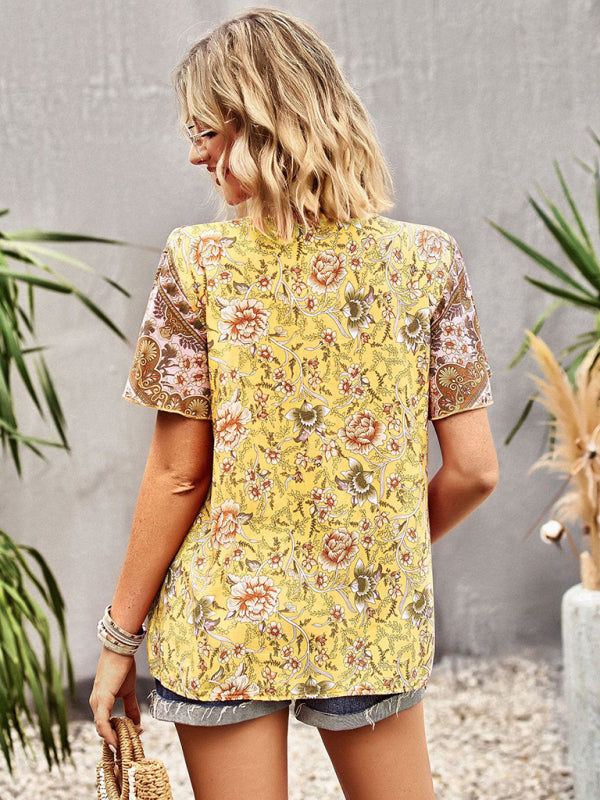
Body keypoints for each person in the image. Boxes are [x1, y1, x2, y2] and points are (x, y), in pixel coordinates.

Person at [90, 7, 498, 799]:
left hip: (225, 620)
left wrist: (117, 641)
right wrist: (372, 555)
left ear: (259, 123)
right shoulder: (429, 261)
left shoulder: (197, 262)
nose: (195, 154)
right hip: (370, 617)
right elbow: (476, 471)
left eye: (205, 131)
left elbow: (179, 475)